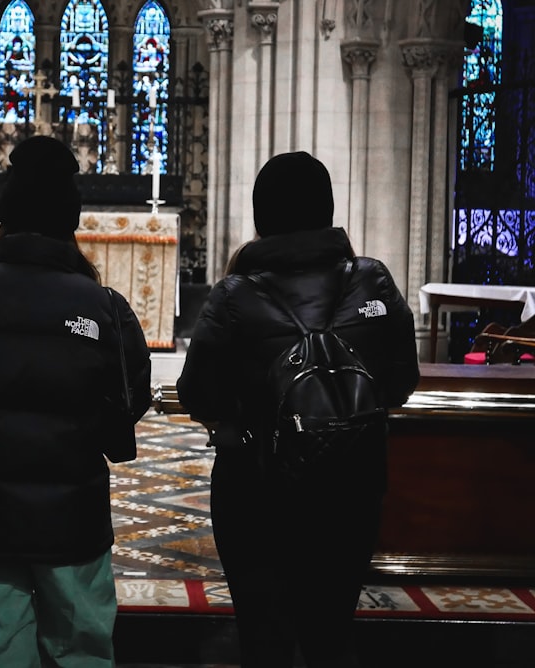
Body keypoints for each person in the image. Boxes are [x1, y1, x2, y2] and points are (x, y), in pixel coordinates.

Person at [0, 135, 152, 668]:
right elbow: (121, 422)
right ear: (71, 223)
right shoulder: (105, 307)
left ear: (4, 220)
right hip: (73, 523)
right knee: (81, 654)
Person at [176, 151, 420, 668]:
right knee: (330, 630)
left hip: (255, 489)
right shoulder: (372, 279)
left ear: (261, 215)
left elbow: (197, 395)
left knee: (264, 638)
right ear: (327, 209)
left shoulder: (234, 295)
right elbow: (400, 383)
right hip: (351, 484)